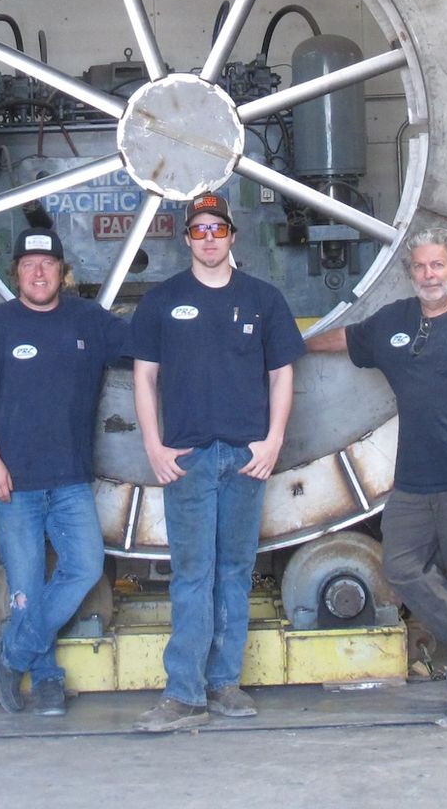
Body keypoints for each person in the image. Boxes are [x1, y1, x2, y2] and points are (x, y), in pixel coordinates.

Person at [305, 227, 447, 717]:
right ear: (410, 274)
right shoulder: (395, 321)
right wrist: (290, 345)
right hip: (413, 479)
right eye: (420, 268)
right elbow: (345, 339)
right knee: (401, 567)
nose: (428, 275)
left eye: (437, 266)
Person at [129, 192, 304, 733]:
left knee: (233, 572)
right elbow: (144, 377)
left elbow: (282, 374)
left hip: (246, 458)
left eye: (217, 230)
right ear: (187, 239)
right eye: (199, 230)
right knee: (192, 574)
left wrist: (273, 440)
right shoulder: (162, 301)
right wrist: (155, 448)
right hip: (189, 459)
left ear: (232, 237)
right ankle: (184, 693)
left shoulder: (263, 300)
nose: (209, 238)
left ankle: (224, 683)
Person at [0, 229, 129, 718]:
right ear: (16, 271)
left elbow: (149, 346)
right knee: (26, 588)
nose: (39, 273)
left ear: (63, 271)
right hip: (13, 483)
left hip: (71, 478)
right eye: (29, 263)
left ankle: (10, 654)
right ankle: (49, 679)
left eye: (48, 264)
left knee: (84, 568)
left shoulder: (89, 321)